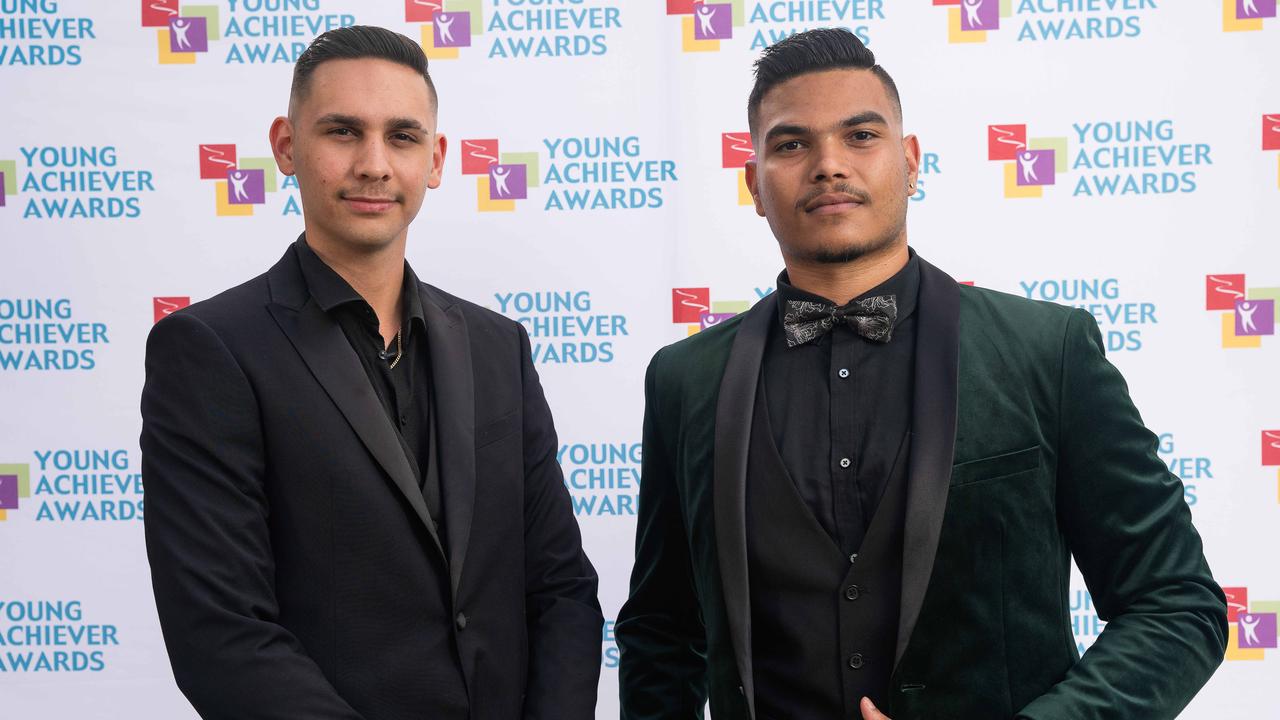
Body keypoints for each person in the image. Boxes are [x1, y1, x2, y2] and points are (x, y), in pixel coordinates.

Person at [616, 28, 1226, 720]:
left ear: (909, 163)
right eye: (791, 145)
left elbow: (1176, 604)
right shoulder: (684, 381)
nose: (827, 165)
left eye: (861, 136)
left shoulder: (1046, 351)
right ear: (754, 184)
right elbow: (660, 635)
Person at [141, 25, 601, 720]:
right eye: (343, 132)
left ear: (437, 159)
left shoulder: (496, 346)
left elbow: (561, 588)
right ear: (286, 146)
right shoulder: (209, 349)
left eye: (403, 137)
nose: (374, 164)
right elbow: (222, 635)